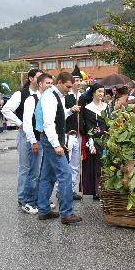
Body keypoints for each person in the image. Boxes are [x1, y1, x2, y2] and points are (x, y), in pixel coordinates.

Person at [35, 72, 81, 224]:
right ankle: (66, 213)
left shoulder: (56, 95)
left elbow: (57, 117)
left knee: (47, 176)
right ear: (59, 82)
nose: (69, 89)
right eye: (68, 86)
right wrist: (56, 145)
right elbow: (49, 123)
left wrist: (69, 111)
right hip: (51, 141)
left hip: (50, 140)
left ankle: (43, 210)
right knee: (65, 175)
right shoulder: (50, 96)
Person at [2, 68, 43, 206]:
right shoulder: (21, 93)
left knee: (37, 168)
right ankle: (22, 197)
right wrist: (20, 123)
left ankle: (35, 197)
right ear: (31, 78)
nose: (41, 80)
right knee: (25, 167)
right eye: (38, 77)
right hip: (25, 134)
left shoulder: (42, 94)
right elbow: (6, 110)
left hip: (39, 134)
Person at [20, 73, 53, 215]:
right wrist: (33, 141)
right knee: (33, 172)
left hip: (46, 140)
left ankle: (41, 200)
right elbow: (27, 122)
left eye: (52, 83)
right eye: (47, 83)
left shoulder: (50, 99)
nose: (50, 86)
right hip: (36, 140)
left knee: (43, 173)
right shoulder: (31, 99)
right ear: (40, 84)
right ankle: (28, 201)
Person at [81, 83, 108, 199]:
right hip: (95, 141)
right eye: (99, 91)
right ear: (93, 93)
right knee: (97, 165)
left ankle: (107, 189)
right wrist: (91, 141)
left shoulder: (107, 106)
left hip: (107, 139)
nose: (101, 94)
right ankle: (97, 189)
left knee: (106, 165)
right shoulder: (88, 108)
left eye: (102, 91)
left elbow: (109, 123)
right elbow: (88, 127)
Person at [65, 66, 84, 201]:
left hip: (79, 135)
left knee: (75, 165)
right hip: (68, 134)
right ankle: (63, 190)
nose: (78, 83)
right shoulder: (66, 97)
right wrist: (71, 109)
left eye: (79, 81)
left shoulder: (82, 97)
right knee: (65, 164)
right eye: (75, 81)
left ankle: (71, 190)